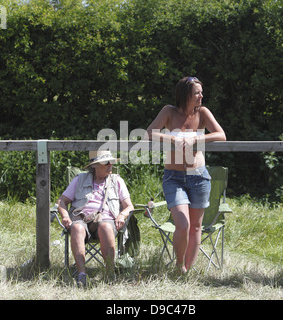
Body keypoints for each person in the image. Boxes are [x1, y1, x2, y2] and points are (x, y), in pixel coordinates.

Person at [147, 76, 226, 273]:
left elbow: (221, 135)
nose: (201, 96)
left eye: (201, 92)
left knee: (196, 227)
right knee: (182, 224)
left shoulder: (203, 113)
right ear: (185, 95)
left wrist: (197, 139)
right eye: (197, 93)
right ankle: (179, 264)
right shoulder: (169, 112)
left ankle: (186, 271)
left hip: (199, 176)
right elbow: (150, 133)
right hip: (173, 177)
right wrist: (173, 139)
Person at [56, 150, 134, 286]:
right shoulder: (79, 179)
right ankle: (81, 275)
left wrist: (122, 214)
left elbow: (129, 206)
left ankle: (110, 274)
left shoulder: (117, 181)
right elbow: (61, 201)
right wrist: (65, 216)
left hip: (107, 220)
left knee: (105, 227)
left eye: (111, 162)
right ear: (95, 166)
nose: (111, 165)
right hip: (81, 218)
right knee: (77, 227)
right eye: (106, 163)